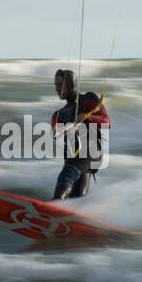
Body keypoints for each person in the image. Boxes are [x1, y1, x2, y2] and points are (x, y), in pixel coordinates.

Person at [50, 68, 110, 200]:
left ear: (70, 84)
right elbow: (55, 133)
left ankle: (52, 206)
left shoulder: (88, 99)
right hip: (74, 158)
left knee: (66, 176)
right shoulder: (58, 114)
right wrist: (61, 130)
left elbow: (107, 121)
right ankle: (67, 217)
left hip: (90, 152)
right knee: (77, 196)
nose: (56, 89)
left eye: (59, 84)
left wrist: (87, 118)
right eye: (55, 85)